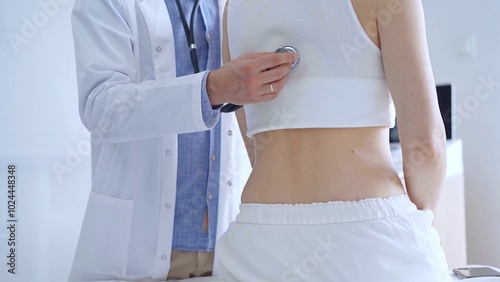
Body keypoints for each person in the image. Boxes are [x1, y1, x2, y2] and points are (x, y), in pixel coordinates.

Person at [216, 0, 452, 281]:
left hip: (254, 242)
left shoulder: (234, 9)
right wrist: (419, 225)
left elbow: (255, 147)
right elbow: (427, 147)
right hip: (373, 240)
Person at [67, 0, 297, 281]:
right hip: (141, 249)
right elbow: (100, 107)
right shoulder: (111, 4)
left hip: (229, 247)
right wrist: (212, 88)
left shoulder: (236, 5)